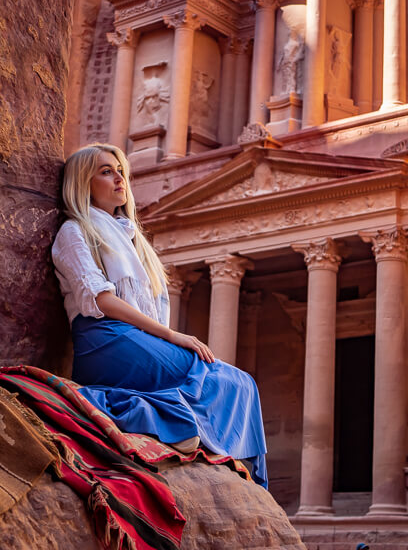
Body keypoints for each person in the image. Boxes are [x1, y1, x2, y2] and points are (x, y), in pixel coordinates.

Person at [51, 143, 267, 487]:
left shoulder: (131, 239)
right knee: (220, 380)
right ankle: (218, 458)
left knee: (241, 383)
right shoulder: (73, 231)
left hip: (133, 340)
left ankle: (215, 458)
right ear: (82, 183)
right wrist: (172, 336)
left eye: (120, 170)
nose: (119, 178)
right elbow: (102, 300)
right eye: (106, 171)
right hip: (105, 340)